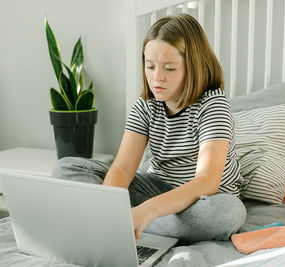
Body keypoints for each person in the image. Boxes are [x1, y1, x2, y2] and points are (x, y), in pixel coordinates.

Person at [52, 13, 246, 244]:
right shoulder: (145, 106)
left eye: (170, 69)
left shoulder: (213, 106)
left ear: (194, 67)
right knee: (66, 169)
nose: (157, 78)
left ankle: (134, 220)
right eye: (150, 66)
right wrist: (107, 207)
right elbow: (123, 168)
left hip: (205, 199)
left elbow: (206, 181)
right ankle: (124, 219)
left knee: (228, 213)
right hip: (155, 189)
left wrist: (147, 211)